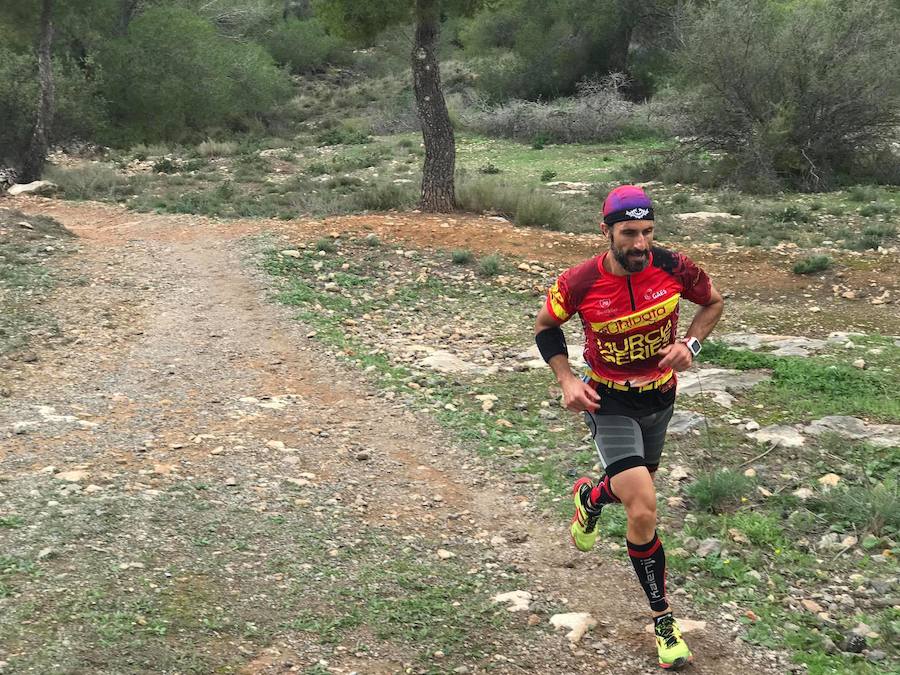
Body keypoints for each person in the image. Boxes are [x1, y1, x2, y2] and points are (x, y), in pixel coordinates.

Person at [533, 185, 724, 670]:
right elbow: (545, 328)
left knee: (626, 489)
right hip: (608, 400)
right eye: (629, 234)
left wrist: (692, 346)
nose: (640, 244)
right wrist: (567, 379)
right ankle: (664, 621)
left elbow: (713, 303)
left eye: (647, 232)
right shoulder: (578, 282)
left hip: (660, 398)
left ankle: (591, 499)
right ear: (607, 232)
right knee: (643, 507)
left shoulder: (675, 266)